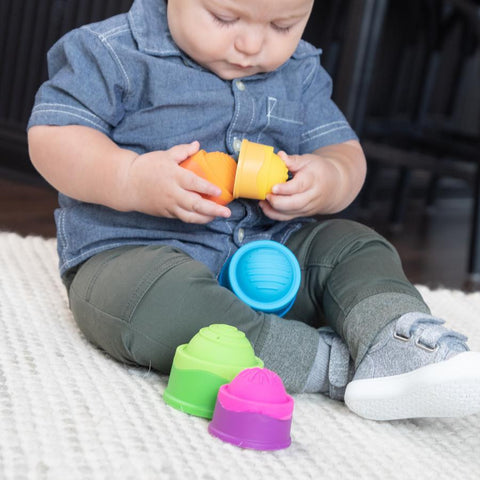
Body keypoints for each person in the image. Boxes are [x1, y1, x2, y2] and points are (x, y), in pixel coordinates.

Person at [27, 0, 480, 421]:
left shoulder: (299, 70)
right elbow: (53, 136)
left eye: (283, 25)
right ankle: (330, 363)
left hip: (272, 255)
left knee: (355, 245)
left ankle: (399, 339)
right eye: (225, 18)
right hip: (137, 254)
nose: (251, 45)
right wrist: (129, 178)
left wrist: (326, 179)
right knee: (157, 304)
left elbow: (345, 154)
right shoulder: (110, 52)